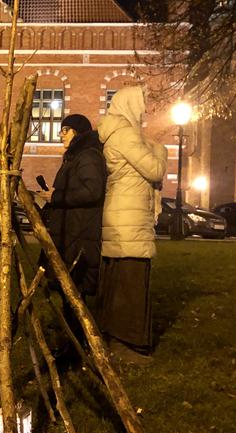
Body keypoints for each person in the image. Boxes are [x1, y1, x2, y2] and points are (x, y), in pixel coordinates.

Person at [96, 86, 168, 364]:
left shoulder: (115, 134)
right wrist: (159, 150)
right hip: (130, 219)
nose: (143, 111)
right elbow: (155, 169)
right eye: (141, 105)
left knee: (118, 280)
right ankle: (126, 343)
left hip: (122, 216)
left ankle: (113, 337)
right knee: (131, 283)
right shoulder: (126, 135)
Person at [41, 114, 107, 344]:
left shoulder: (87, 157)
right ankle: (73, 337)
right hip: (70, 231)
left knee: (74, 289)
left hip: (79, 233)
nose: (61, 135)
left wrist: (55, 196)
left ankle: (79, 340)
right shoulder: (75, 157)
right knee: (68, 289)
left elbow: (92, 192)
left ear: (78, 132)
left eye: (65, 130)